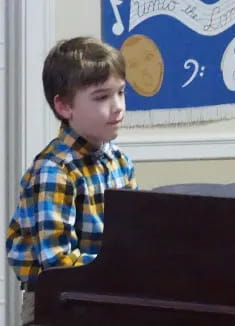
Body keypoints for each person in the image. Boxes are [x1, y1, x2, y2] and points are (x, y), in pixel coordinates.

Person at [5, 36, 138, 325]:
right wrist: (116, 269)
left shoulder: (121, 162)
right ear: (65, 107)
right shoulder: (55, 171)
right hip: (57, 303)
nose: (118, 106)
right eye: (102, 97)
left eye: (121, 93)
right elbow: (56, 263)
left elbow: (131, 236)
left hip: (104, 294)